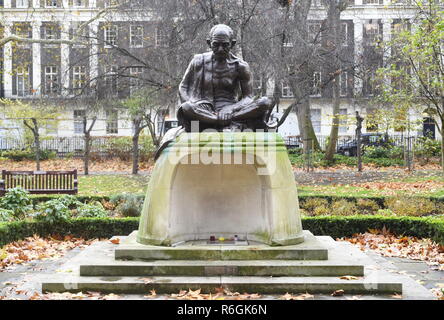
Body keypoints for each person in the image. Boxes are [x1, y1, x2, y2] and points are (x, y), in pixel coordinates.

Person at [177, 24, 276, 132]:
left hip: (232, 110)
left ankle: (216, 121)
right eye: (216, 44)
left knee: (265, 102)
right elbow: (183, 87)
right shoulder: (198, 61)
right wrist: (193, 103)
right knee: (186, 107)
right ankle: (219, 121)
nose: (220, 49)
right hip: (203, 109)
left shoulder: (240, 66)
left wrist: (230, 109)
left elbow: (248, 97)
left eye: (225, 45)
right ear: (209, 43)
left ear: (232, 44)